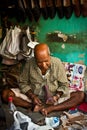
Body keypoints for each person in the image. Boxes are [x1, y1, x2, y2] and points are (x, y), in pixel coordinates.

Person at [18, 43, 85, 115]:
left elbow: (64, 84)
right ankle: (34, 106)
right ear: (35, 59)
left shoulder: (57, 63)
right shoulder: (30, 63)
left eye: (46, 61)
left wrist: (57, 96)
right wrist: (32, 96)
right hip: (35, 97)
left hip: (54, 97)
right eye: (39, 62)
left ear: (49, 55)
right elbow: (22, 82)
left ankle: (50, 109)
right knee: (6, 94)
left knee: (80, 95)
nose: (43, 65)